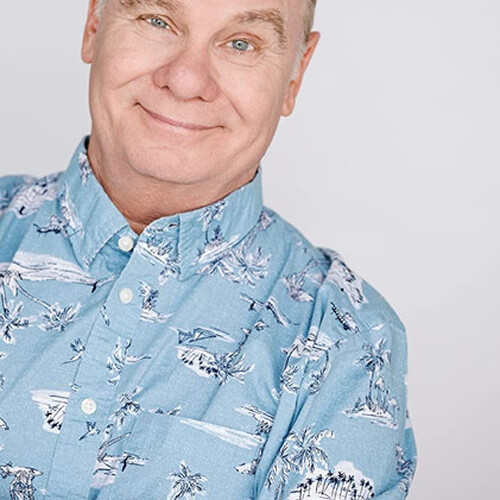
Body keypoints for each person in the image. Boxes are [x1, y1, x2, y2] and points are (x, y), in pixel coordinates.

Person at [0, 0, 417, 498]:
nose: (185, 80)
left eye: (242, 44)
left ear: (295, 75)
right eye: (158, 20)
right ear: (94, 24)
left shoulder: (348, 344)